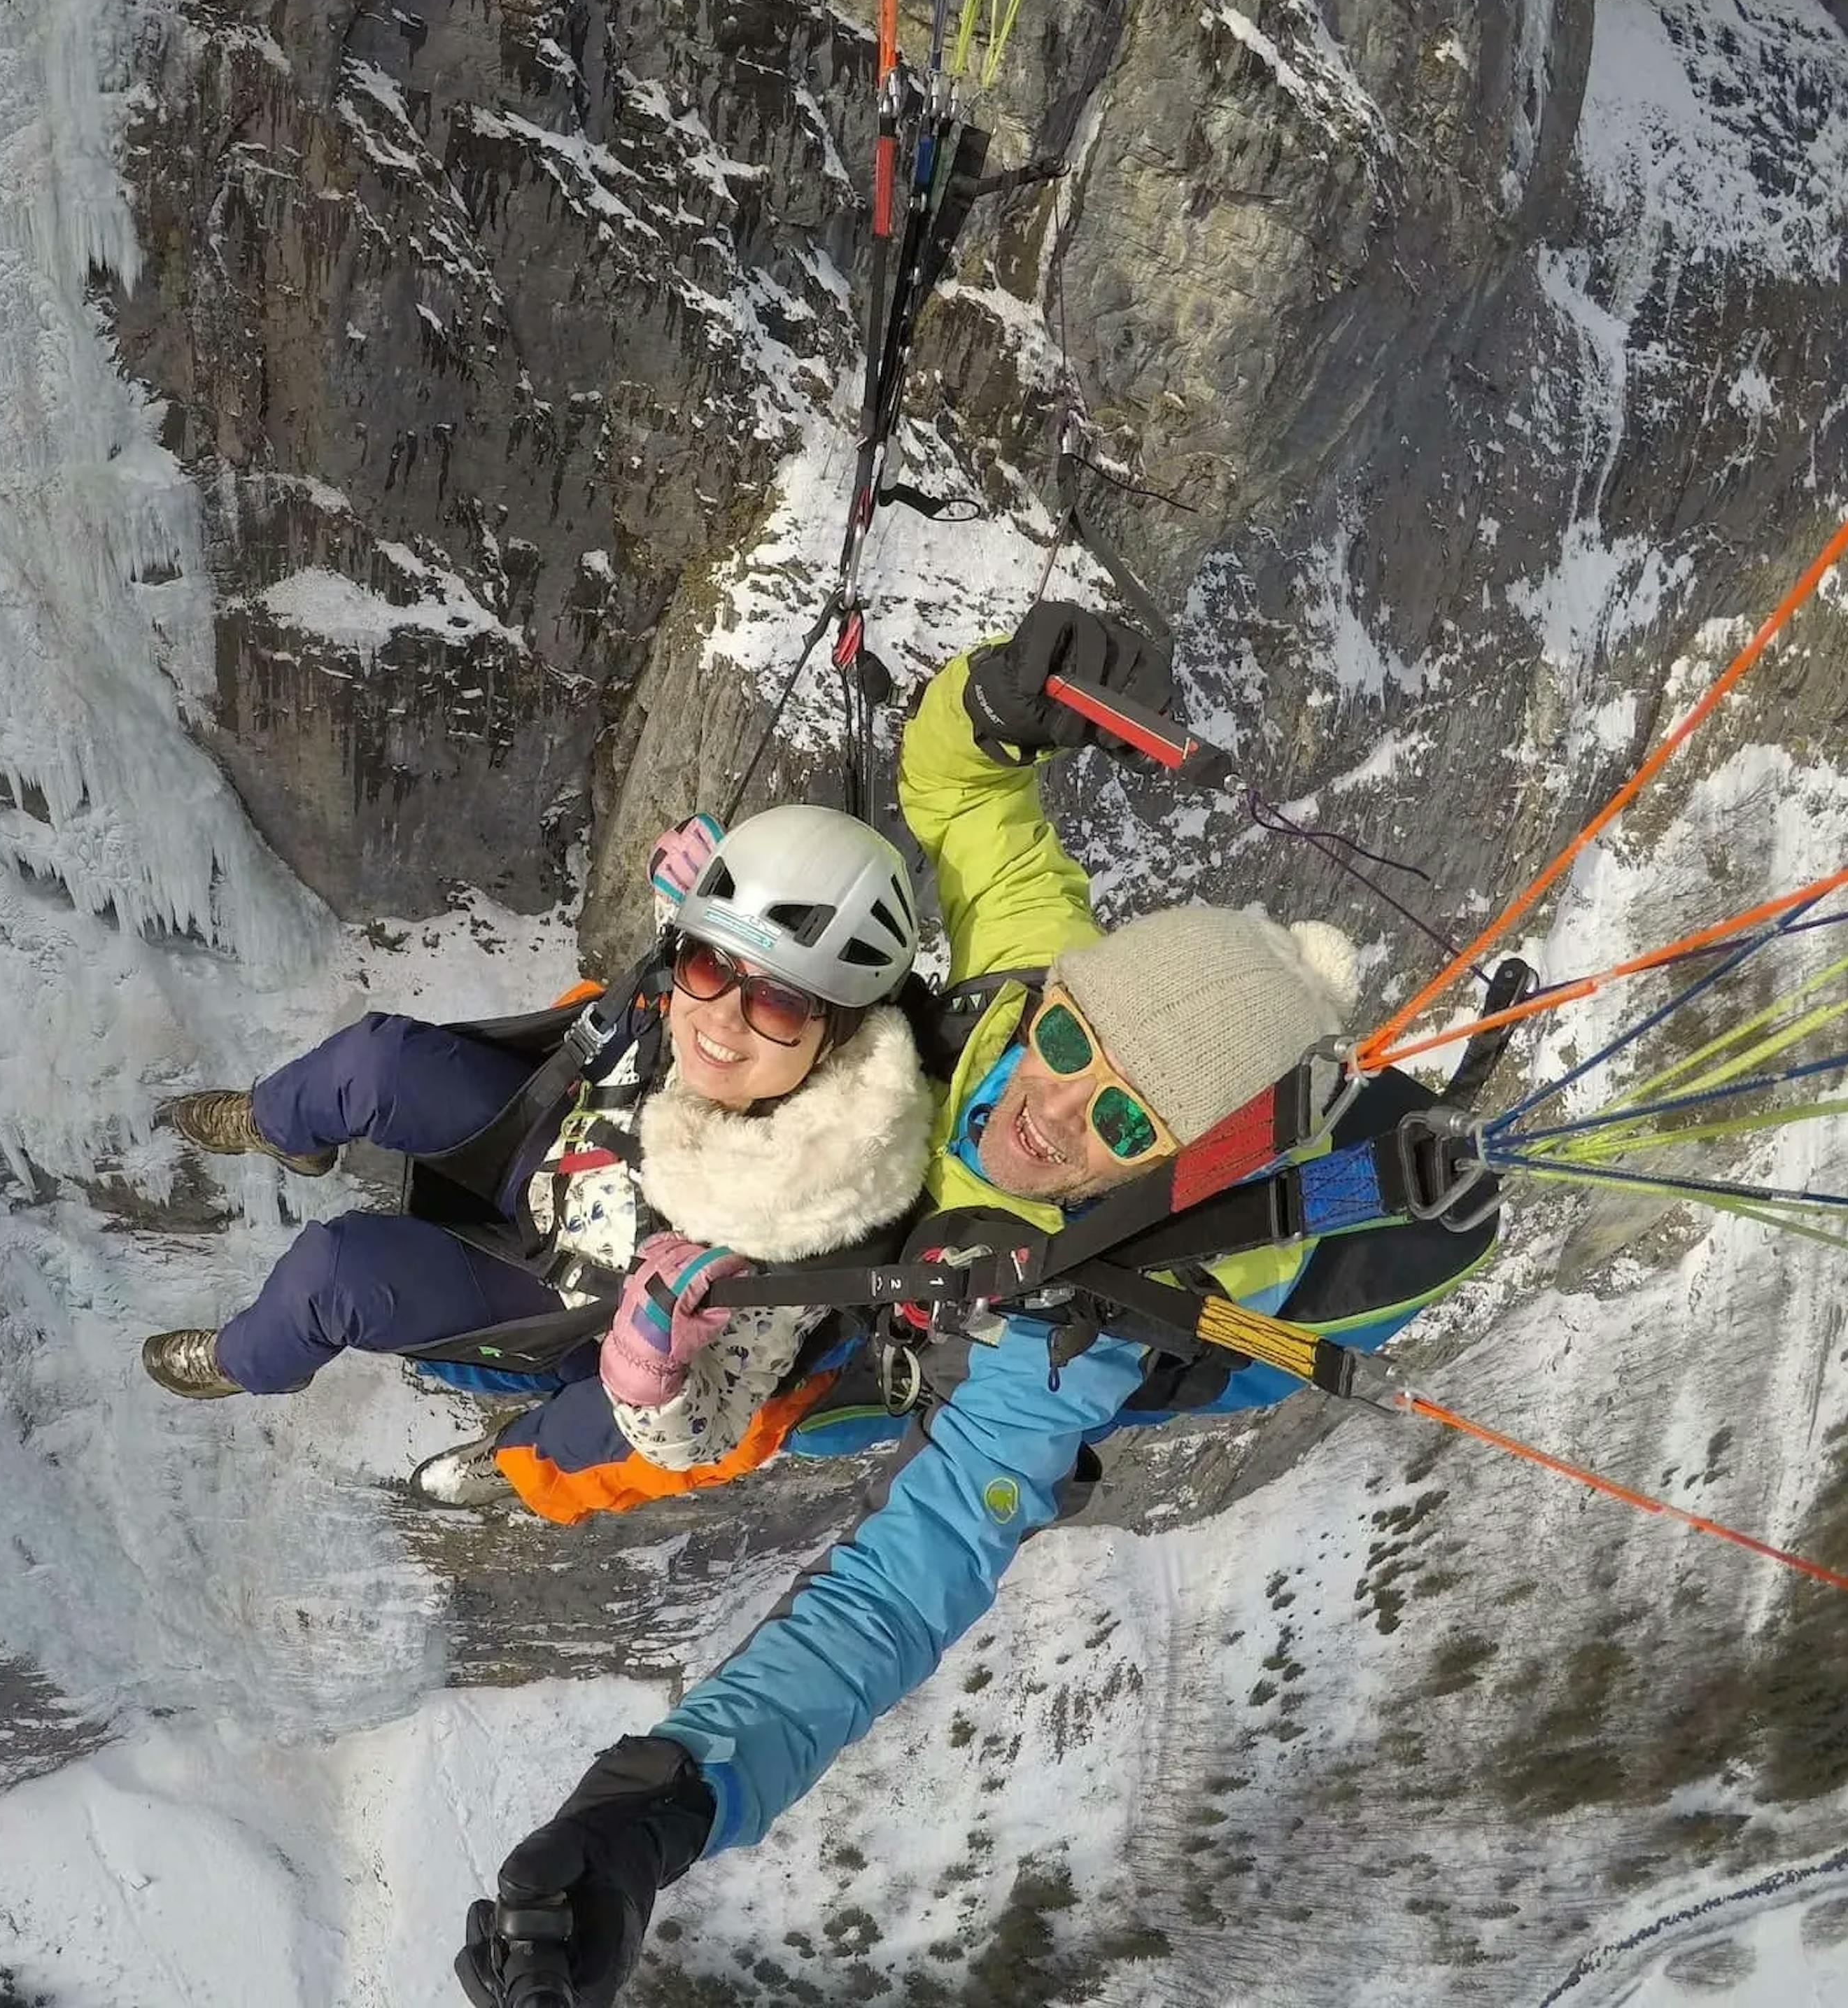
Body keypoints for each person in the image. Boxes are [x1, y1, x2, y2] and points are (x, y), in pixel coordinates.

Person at [455, 609, 1441, 2007]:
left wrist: (647, 1811)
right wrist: (994, 699)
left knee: (596, 1419)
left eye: (1123, 1119)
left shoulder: (1085, 1326)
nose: (1045, 1107)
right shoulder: (1032, 974)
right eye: (1063, 1043)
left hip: (885, 1334)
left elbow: (902, 1592)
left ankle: (509, 1440)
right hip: (810, 1227)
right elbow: (968, 798)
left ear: (1178, 1171)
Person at [141, 804, 940, 1519]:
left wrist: (643, 1370)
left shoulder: (806, 1211)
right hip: (557, 1147)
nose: (721, 1020)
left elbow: (709, 1431)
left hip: (569, 1301)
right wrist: (691, 908)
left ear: (837, 1033)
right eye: (709, 965)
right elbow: (703, 995)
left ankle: (246, 1362)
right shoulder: (733, 1025)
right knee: (373, 1065)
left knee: (336, 1276)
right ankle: (283, 1126)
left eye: (778, 1001)